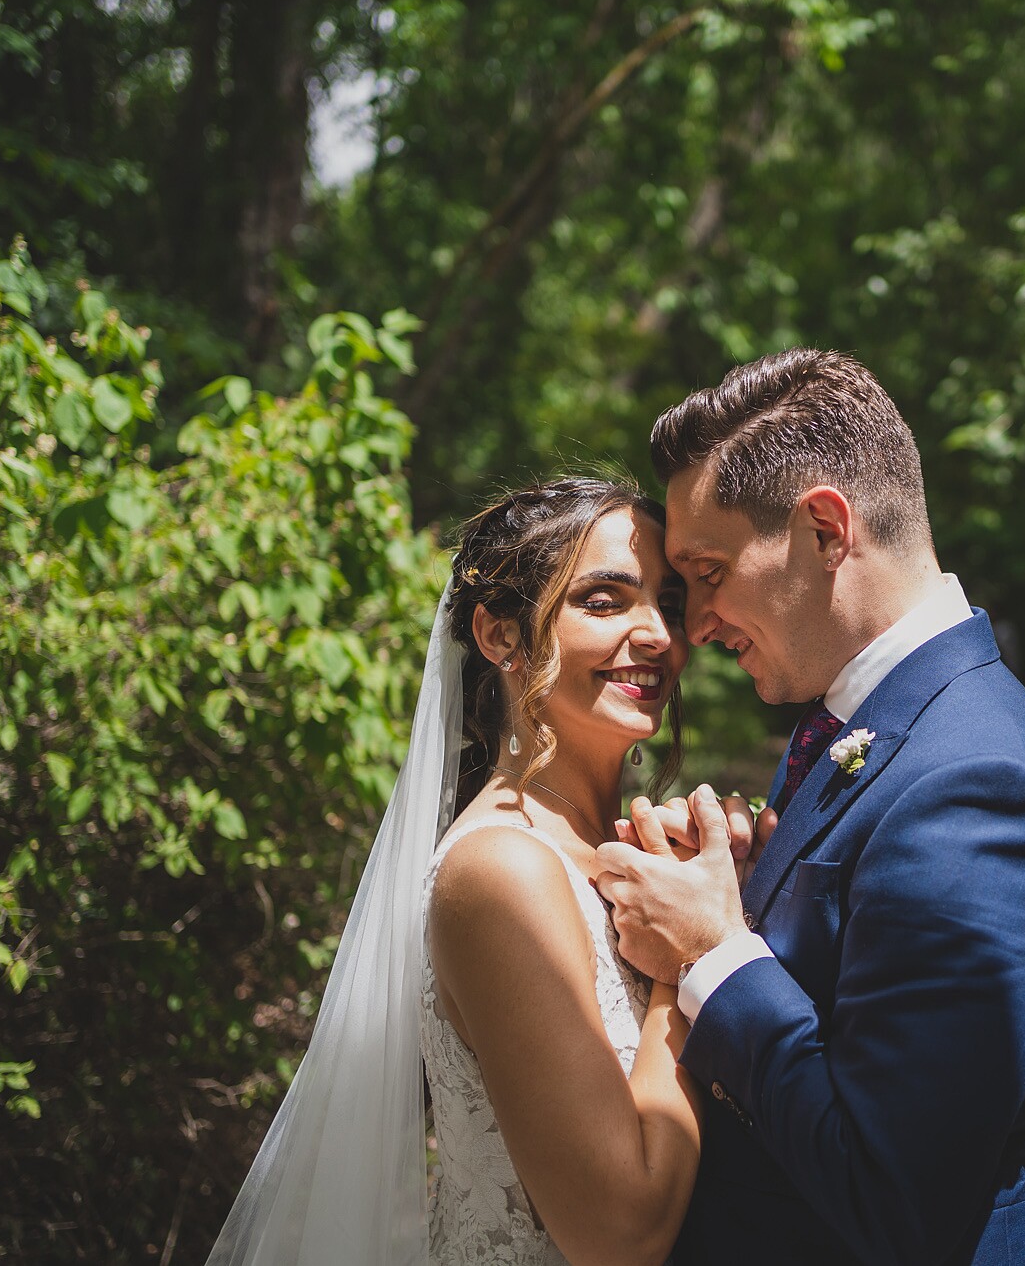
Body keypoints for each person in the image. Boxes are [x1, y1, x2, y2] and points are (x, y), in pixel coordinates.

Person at [597, 349, 1025, 1265]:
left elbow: (896, 1198)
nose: (695, 626)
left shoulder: (983, 786)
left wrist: (713, 949)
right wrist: (742, 886)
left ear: (826, 531)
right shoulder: (865, 719)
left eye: (709, 572)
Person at [205, 477, 707, 1266]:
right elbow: (620, 1233)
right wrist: (690, 958)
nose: (656, 634)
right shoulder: (503, 870)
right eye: (604, 600)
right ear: (500, 635)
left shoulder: (634, 853)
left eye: (670, 606)